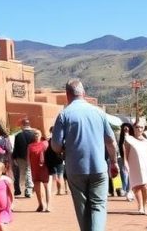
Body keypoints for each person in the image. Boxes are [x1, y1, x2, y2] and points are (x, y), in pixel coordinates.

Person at [50, 78, 117, 231]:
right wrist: (113, 162)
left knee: (82, 209)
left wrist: (62, 150)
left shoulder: (64, 115)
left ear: (67, 94)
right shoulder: (98, 112)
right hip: (98, 167)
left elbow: (55, 145)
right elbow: (111, 141)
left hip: (76, 169)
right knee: (98, 206)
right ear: (84, 94)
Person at [124, 121, 147, 215]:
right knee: (136, 186)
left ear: (143, 129)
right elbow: (125, 154)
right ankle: (140, 206)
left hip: (146, 166)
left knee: (145, 187)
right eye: (137, 127)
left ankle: (144, 205)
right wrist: (126, 164)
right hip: (134, 166)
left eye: (141, 127)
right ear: (133, 128)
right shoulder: (129, 140)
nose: (139, 129)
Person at [26, 129, 50, 212]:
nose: (36, 135)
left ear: (41, 135)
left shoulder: (45, 144)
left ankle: (48, 205)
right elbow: (28, 157)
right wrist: (29, 167)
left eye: (38, 134)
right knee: (37, 187)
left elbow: (49, 155)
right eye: (35, 134)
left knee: (46, 186)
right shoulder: (30, 146)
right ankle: (40, 204)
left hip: (44, 168)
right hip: (34, 168)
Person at [12, 118, 34, 199]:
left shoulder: (18, 135)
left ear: (22, 125)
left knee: (22, 173)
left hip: (20, 157)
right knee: (28, 171)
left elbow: (15, 147)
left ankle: (24, 188)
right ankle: (28, 189)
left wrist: (14, 157)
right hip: (31, 156)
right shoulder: (33, 134)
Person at [44, 127, 65, 196]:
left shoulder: (49, 141)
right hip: (59, 159)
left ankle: (58, 190)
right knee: (60, 175)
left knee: (55, 175)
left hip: (51, 160)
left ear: (50, 132)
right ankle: (60, 190)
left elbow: (46, 152)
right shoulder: (60, 140)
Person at [116, 123, 133, 201]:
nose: (126, 130)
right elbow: (120, 147)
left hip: (131, 158)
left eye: (127, 128)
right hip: (123, 158)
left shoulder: (132, 137)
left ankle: (129, 190)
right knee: (124, 174)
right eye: (125, 129)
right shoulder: (121, 137)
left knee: (130, 175)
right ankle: (124, 189)